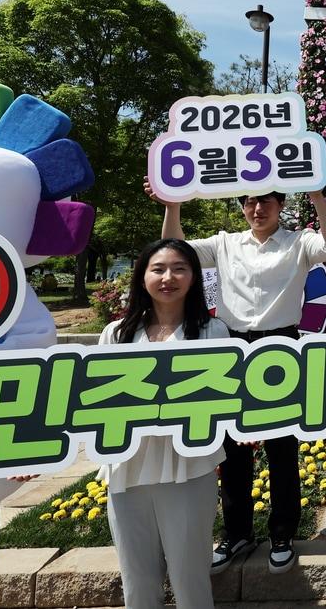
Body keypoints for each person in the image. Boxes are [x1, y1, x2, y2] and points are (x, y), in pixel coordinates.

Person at [147, 180, 326, 575]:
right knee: (233, 447)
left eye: (266, 201)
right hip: (232, 345)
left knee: (281, 444)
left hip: (280, 347)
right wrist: (172, 206)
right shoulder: (225, 243)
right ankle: (238, 533)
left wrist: (318, 195)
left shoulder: (299, 241)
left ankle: (283, 532)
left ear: (280, 203)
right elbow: (175, 250)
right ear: (242, 206)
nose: (258, 208)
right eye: (250, 201)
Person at [99, 239, 230, 609]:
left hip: (189, 465)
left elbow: (222, 401)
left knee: (190, 577)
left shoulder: (212, 332)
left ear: (194, 278)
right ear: (142, 278)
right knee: (137, 579)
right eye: (157, 269)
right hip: (126, 466)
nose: (168, 277)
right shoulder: (116, 334)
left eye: (179, 268)